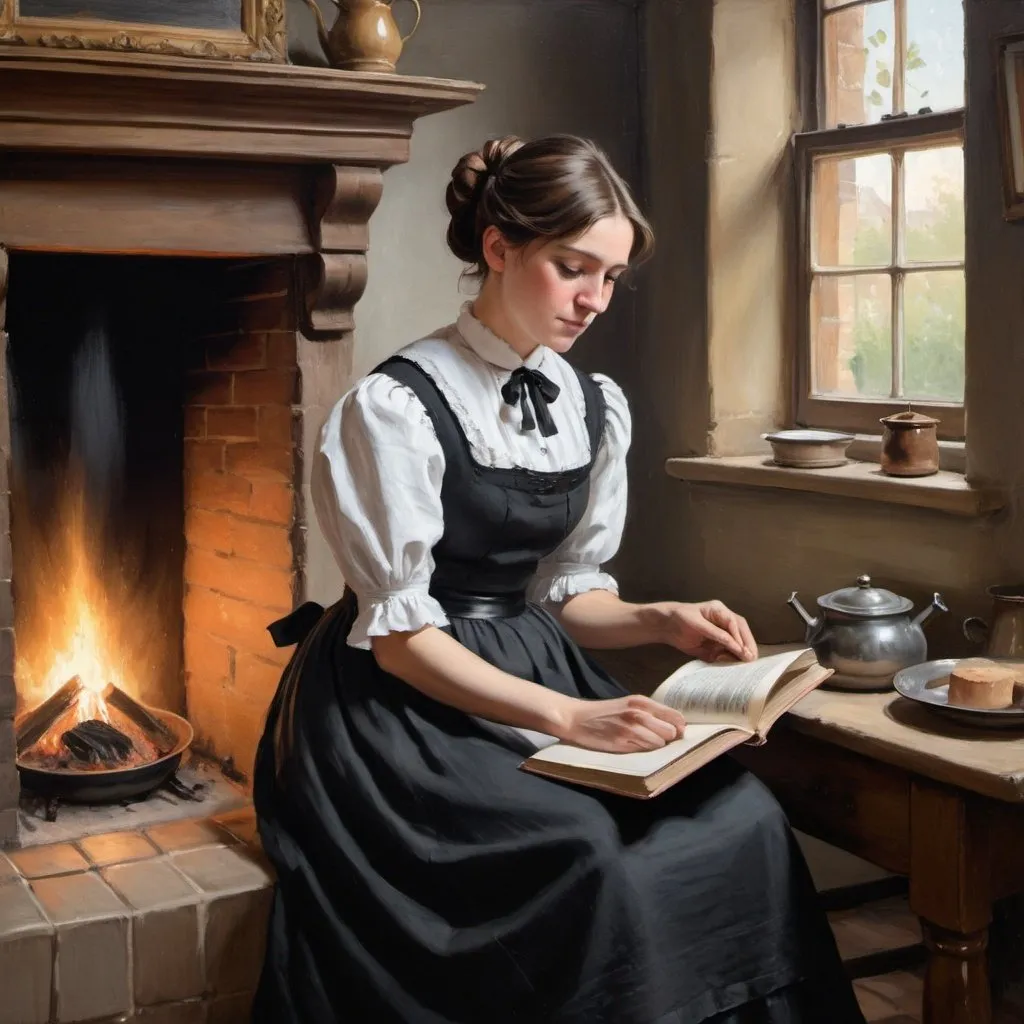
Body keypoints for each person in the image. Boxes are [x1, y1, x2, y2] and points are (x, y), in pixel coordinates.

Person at [251, 134, 865, 1024]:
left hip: (531, 667)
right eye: (573, 268)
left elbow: (567, 594)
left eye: (611, 277)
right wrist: (572, 717)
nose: (594, 300)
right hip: (404, 704)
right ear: (498, 248)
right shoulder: (392, 409)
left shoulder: (588, 403)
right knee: (587, 849)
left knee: (747, 817)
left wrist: (659, 619)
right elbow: (400, 641)